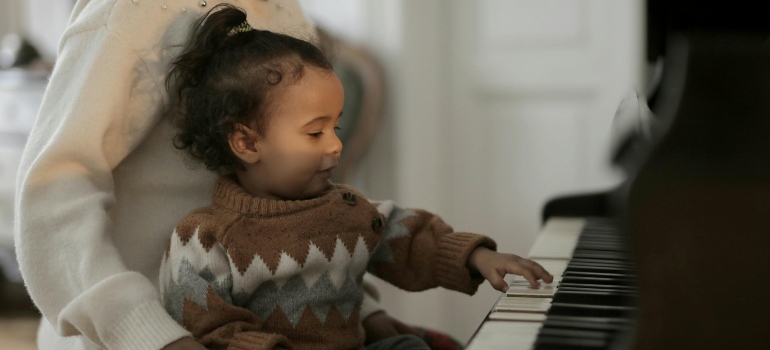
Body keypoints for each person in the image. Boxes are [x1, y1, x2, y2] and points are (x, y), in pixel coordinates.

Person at [12, 1, 425, 349]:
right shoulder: (133, 14)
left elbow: (286, 192)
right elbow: (53, 194)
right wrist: (148, 335)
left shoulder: (283, 11)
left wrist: (356, 306)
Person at [158, 5, 553, 350]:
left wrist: (478, 256)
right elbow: (210, 329)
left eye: (336, 128)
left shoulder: (347, 211)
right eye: (315, 132)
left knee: (409, 346)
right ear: (246, 142)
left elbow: (411, 238)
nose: (334, 145)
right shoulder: (205, 237)